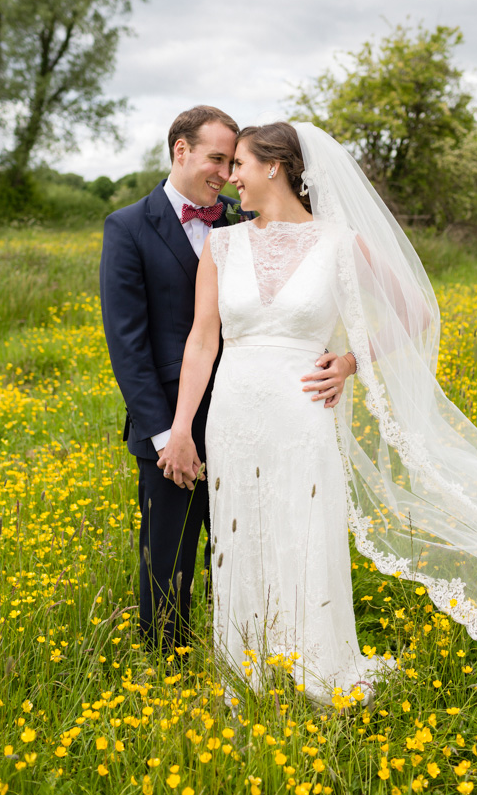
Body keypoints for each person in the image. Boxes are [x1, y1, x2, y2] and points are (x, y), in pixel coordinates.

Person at [159, 121, 477, 720]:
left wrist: (350, 360)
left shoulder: (339, 242)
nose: (231, 177)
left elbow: (415, 310)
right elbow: (200, 342)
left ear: (274, 167)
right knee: (240, 537)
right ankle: (245, 671)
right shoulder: (222, 246)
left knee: (303, 529)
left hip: (303, 410)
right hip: (234, 412)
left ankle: (317, 669)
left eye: (240, 164)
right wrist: (181, 428)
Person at [99, 108, 342, 653]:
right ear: (180, 151)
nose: (225, 173)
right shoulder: (128, 227)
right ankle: (165, 666)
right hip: (172, 420)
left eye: (234, 162)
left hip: (255, 412)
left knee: (251, 543)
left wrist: (339, 360)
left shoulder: (246, 221)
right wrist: (168, 432)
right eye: (216, 159)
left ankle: (257, 649)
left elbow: (292, 298)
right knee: (169, 554)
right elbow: (128, 345)